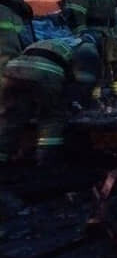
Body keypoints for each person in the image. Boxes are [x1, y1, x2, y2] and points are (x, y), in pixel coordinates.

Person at [0, 34, 100, 165]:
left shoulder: (54, 41)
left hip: (11, 71)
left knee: (11, 116)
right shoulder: (88, 47)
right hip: (45, 71)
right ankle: (45, 158)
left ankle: (2, 157)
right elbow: (84, 80)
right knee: (51, 116)